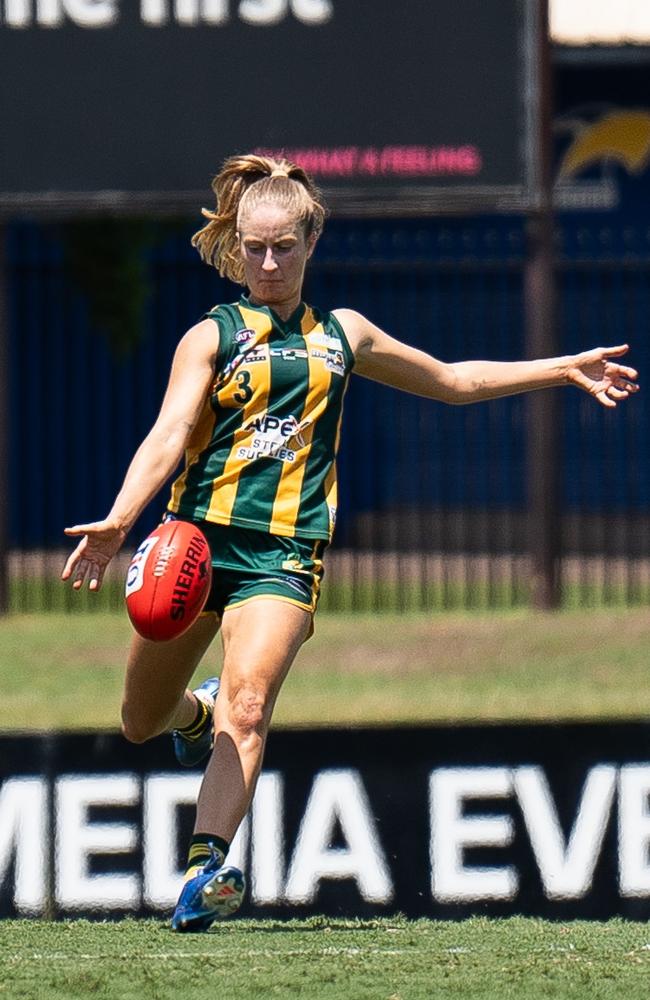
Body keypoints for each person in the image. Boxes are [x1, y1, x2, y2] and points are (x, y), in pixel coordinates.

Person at [61, 153, 639, 932]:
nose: (269, 262)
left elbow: (453, 381)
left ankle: (205, 872)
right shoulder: (213, 335)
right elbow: (168, 434)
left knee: (251, 701)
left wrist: (562, 368)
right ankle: (191, 724)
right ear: (235, 244)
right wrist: (121, 519)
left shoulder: (344, 335)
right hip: (193, 551)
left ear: (311, 242)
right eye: (255, 247)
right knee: (140, 720)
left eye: (284, 247)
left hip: (284, 558)